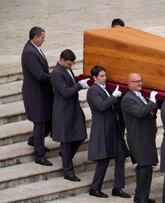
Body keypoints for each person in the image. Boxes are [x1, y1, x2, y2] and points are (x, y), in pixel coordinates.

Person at [87, 65, 131, 198]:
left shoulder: (105, 89)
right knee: (103, 160)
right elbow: (101, 106)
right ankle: (95, 188)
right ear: (94, 78)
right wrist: (114, 96)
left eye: (105, 75)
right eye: (101, 76)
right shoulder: (93, 91)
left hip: (113, 128)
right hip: (102, 128)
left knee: (120, 156)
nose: (104, 78)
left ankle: (118, 188)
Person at [50, 49, 89, 181]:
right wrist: (79, 85)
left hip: (73, 108)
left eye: (71, 64)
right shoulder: (56, 73)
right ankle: (68, 171)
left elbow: (70, 82)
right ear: (61, 60)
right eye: (68, 64)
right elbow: (65, 92)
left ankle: (65, 156)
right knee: (66, 141)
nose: (70, 66)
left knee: (80, 135)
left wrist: (80, 81)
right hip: (63, 110)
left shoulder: (66, 69)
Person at [121, 73, 158, 203]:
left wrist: (153, 105)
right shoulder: (127, 99)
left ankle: (142, 197)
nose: (139, 83)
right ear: (129, 84)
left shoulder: (142, 96)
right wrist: (152, 102)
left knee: (147, 168)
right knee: (144, 167)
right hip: (138, 138)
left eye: (140, 81)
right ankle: (141, 198)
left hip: (147, 137)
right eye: (135, 81)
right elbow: (140, 113)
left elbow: (149, 113)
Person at [21, 26, 53, 166]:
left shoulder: (34, 49)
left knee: (48, 119)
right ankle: (39, 155)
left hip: (42, 92)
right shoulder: (29, 52)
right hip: (35, 93)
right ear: (35, 37)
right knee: (40, 122)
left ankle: (35, 140)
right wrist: (54, 76)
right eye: (42, 37)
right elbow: (39, 75)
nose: (43, 40)